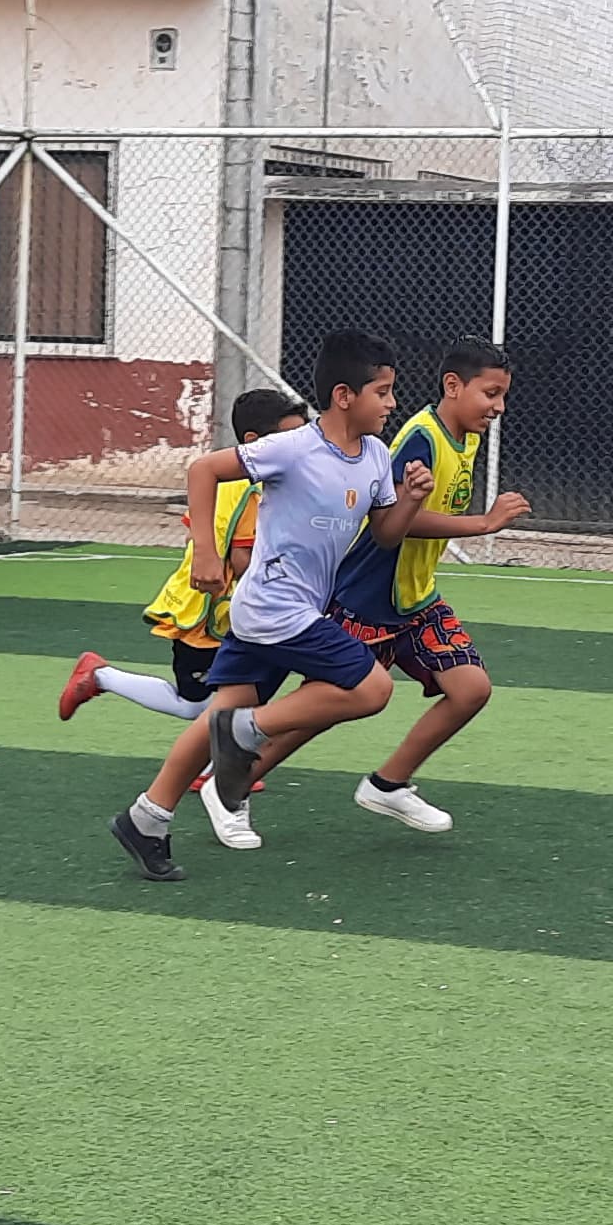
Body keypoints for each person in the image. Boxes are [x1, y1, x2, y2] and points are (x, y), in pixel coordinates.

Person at [109, 333, 491, 880]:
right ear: (344, 396)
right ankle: (245, 732)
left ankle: (146, 818)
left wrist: (408, 500)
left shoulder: (375, 456)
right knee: (372, 689)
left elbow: (385, 535)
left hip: (286, 610)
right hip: (275, 608)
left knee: (218, 715)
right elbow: (203, 471)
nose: (391, 404)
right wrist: (208, 555)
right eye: (382, 392)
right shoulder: (293, 447)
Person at [59, 387, 307, 847]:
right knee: (200, 704)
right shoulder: (252, 488)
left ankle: (216, 764)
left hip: (224, 612)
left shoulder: (231, 479)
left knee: (232, 695)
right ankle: (102, 678)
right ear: (254, 442)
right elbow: (241, 559)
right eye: (290, 438)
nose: (300, 448)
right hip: (207, 616)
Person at [331, 339, 536, 829]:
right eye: (491, 394)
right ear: (453, 385)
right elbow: (395, 521)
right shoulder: (420, 438)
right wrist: (484, 524)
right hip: (369, 597)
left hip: (416, 597)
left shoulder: (467, 436)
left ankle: (387, 785)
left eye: (503, 396)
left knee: (471, 689)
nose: (499, 408)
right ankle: (231, 776)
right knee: (327, 706)